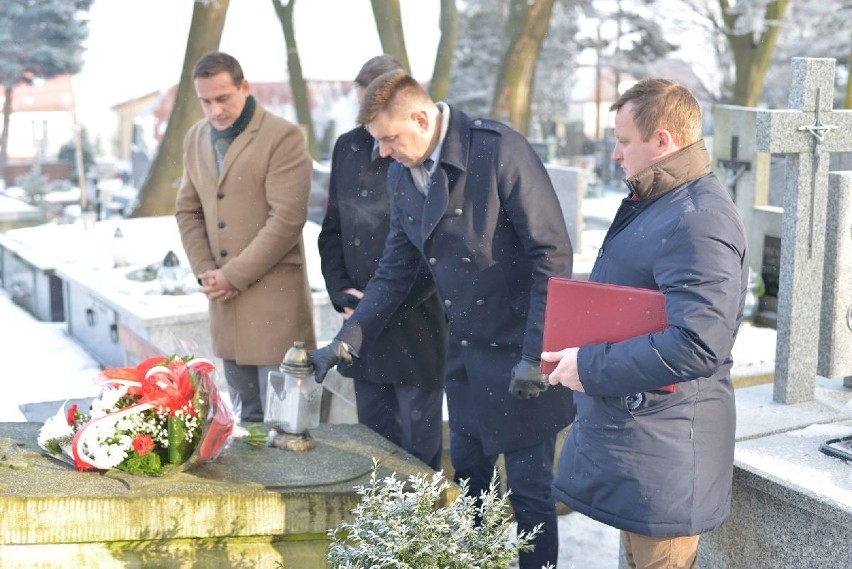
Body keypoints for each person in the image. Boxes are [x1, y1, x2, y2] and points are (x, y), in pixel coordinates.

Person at [308, 69, 574, 569]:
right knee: (472, 491)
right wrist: (349, 340)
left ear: (422, 117)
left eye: (389, 139)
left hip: (524, 358)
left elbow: (552, 256)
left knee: (530, 498)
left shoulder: (496, 151)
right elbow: (395, 272)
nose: (383, 152)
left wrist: (538, 354)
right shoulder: (400, 175)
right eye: (377, 142)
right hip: (466, 359)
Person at [543, 78, 748, 569]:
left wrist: (590, 366)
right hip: (649, 440)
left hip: (671, 450)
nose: (615, 154)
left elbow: (699, 343)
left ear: (662, 141)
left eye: (623, 140)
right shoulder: (663, 204)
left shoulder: (698, 218)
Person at [317, 55, 448, 471]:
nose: (374, 140)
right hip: (361, 317)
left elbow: (429, 248)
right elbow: (333, 226)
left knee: (417, 447)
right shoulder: (347, 146)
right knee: (372, 442)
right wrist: (340, 290)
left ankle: (422, 531)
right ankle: (380, 528)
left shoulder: (422, 153)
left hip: (416, 320)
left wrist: (379, 304)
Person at [175, 51, 315, 423]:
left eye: (223, 98)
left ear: (245, 87)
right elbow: (187, 209)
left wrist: (233, 276)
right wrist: (206, 270)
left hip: (274, 309)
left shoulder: (282, 136)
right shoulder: (194, 139)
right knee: (244, 426)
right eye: (206, 101)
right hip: (225, 306)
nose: (215, 110)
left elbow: (286, 218)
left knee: (286, 427)